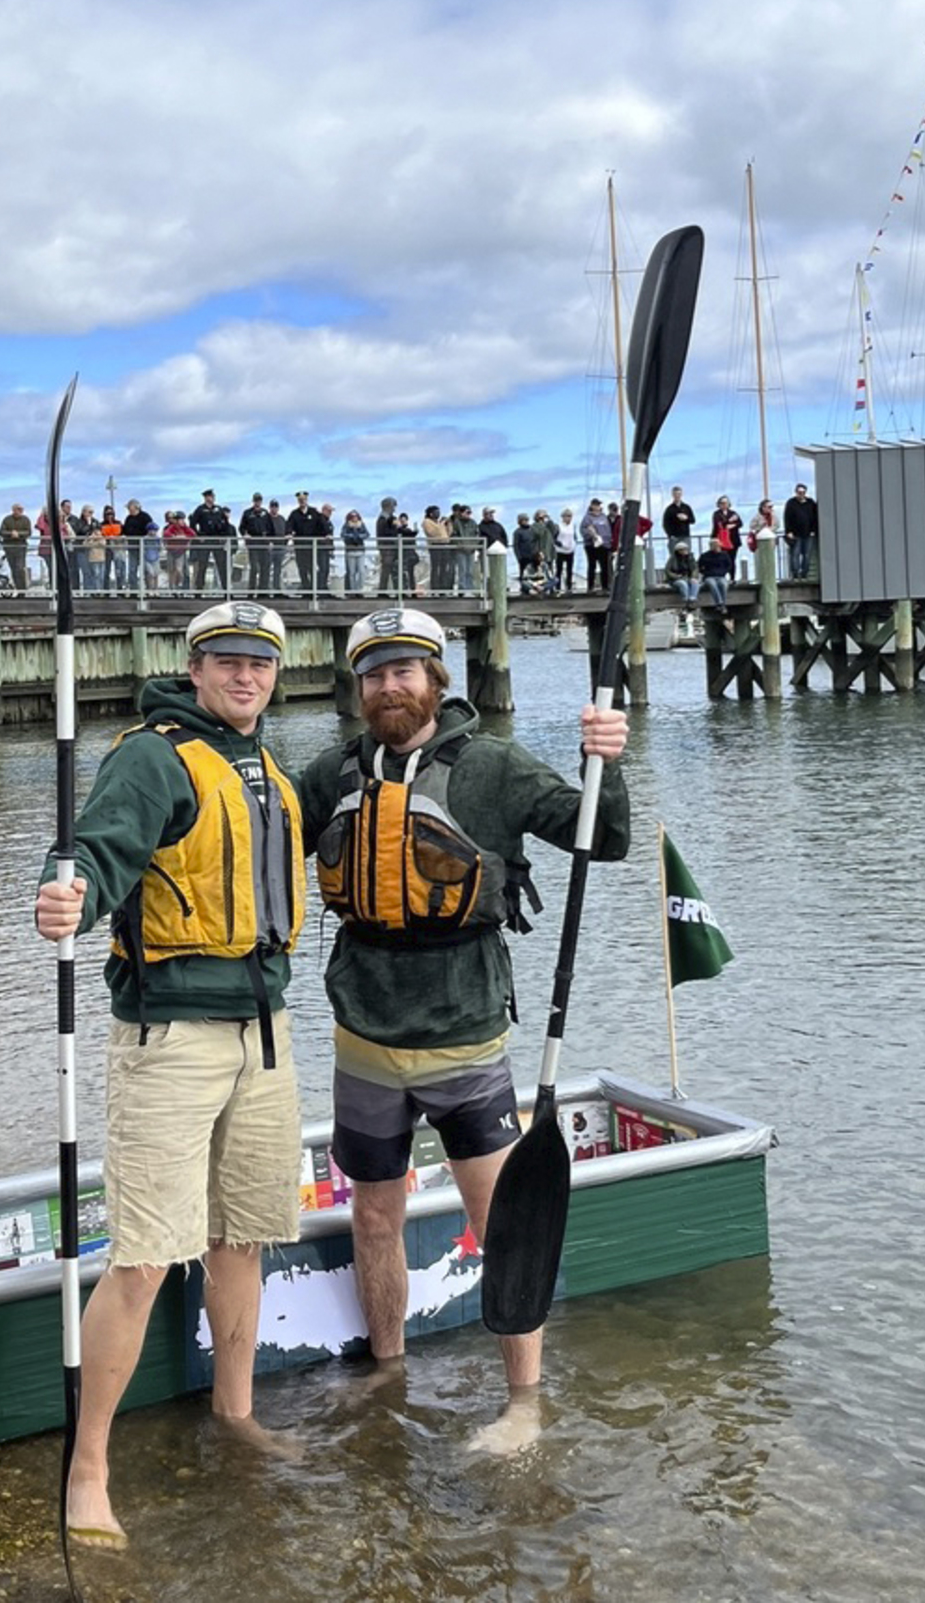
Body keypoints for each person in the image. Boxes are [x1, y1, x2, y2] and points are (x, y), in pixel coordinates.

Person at [299, 608, 629, 1450]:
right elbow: (251, 831)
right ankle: (388, 1372)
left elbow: (606, 836)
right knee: (375, 1216)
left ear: (437, 680)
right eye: (373, 675)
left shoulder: (491, 767)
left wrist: (606, 760)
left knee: (501, 1221)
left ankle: (524, 1403)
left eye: (405, 671)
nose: (388, 687)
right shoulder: (332, 771)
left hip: (466, 1034)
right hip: (363, 1035)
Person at [34, 600, 305, 1545]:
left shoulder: (267, 767)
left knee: (243, 1237)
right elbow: (97, 852)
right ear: (194, 668)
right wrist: (66, 890)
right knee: (146, 1255)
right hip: (170, 1039)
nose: (245, 676)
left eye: (260, 663)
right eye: (227, 661)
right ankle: (90, 1467)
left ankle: (237, 1415)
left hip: (263, 1034)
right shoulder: (152, 755)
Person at [239, 494, 275, 595]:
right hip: (253, 543)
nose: (257, 502)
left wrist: (271, 541)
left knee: (265, 567)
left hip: (264, 543)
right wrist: (245, 535)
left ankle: (263, 592)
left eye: (259, 500)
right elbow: (241, 527)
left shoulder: (265, 513)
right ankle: (251, 591)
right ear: (253, 501)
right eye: (256, 500)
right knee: (254, 567)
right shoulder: (247, 513)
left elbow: (271, 529)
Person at [783, 483, 818, 581]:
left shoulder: (811, 503)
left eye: (803, 492)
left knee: (807, 555)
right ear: (796, 492)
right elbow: (787, 518)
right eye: (799, 492)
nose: (801, 494)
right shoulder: (791, 503)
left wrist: (814, 530)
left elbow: (815, 517)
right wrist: (788, 531)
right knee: (795, 554)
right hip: (795, 534)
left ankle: (804, 574)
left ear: (805, 492)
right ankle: (795, 574)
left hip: (808, 533)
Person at [0, 502, 33, 594]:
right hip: (9, 547)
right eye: (18, 509)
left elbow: (28, 532)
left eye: (21, 510)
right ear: (13, 510)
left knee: (20, 568)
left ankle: (22, 589)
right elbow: (1, 532)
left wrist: (19, 534)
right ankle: (18, 588)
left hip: (21, 547)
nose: (19, 511)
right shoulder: (7, 519)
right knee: (13, 568)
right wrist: (11, 534)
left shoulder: (26, 520)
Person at [581, 499, 613, 593]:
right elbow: (583, 530)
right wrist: (591, 536)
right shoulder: (587, 518)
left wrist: (608, 542)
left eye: (598, 505)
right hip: (591, 545)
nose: (597, 506)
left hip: (604, 545)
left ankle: (605, 586)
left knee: (604, 566)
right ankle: (590, 586)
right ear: (592, 506)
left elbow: (608, 530)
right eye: (595, 505)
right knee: (592, 565)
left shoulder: (603, 517)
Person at [340, 509, 369, 594]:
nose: (354, 519)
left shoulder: (362, 525)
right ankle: (352, 591)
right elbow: (343, 535)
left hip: (360, 550)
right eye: (352, 517)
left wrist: (358, 536)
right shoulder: (346, 526)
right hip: (350, 551)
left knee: (361, 571)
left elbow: (367, 534)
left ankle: (359, 589)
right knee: (351, 573)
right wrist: (352, 536)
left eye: (356, 517)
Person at [697, 541, 732, 608]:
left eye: (718, 546)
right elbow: (699, 566)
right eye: (715, 546)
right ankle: (719, 602)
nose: (717, 548)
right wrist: (705, 573)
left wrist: (724, 572)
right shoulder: (705, 556)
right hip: (709, 576)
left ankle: (722, 603)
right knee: (712, 584)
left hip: (721, 576)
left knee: (723, 585)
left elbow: (729, 566)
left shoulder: (725, 555)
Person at [554, 508, 577, 592]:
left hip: (570, 550)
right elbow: (554, 538)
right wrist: (559, 544)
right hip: (560, 551)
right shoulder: (558, 526)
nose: (568, 518)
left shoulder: (573, 525)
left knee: (569, 570)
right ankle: (557, 587)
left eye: (570, 516)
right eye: (566, 516)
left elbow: (574, 536)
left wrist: (574, 544)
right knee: (559, 570)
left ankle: (569, 586)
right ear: (562, 517)